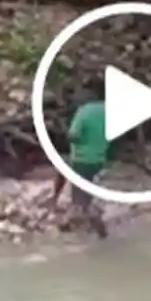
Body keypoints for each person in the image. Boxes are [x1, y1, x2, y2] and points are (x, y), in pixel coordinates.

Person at [47, 79, 110, 238]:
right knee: (63, 167)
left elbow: (73, 135)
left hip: (82, 160)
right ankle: (58, 205)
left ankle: (97, 227)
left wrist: (67, 134)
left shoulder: (84, 111)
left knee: (80, 202)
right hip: (99, 160)